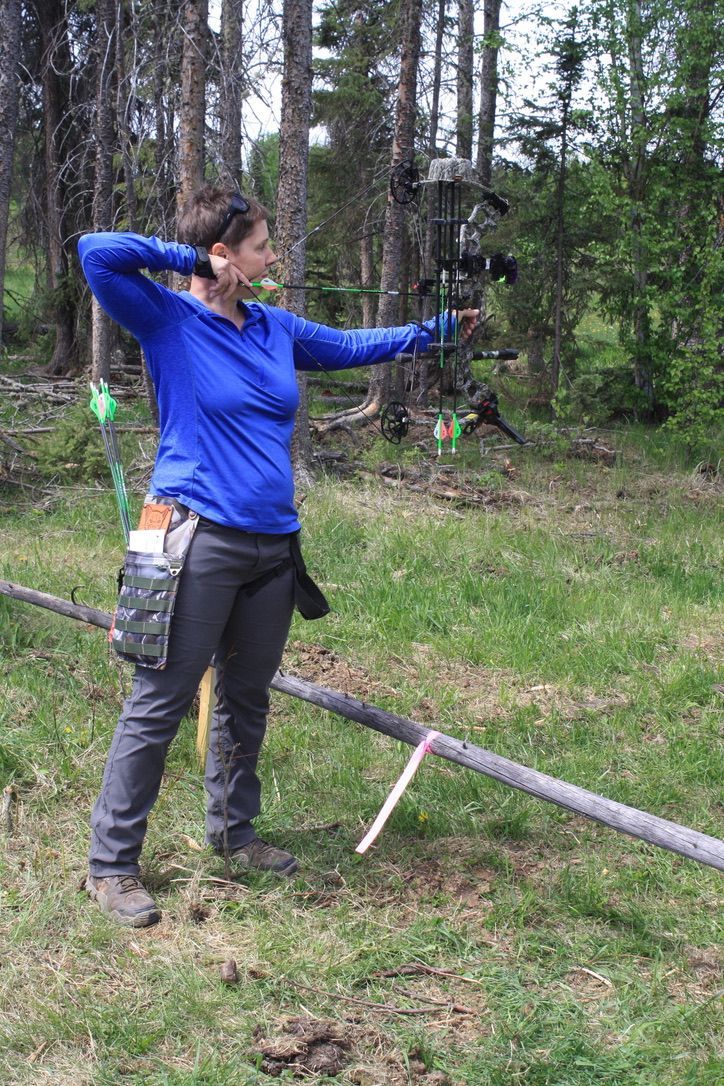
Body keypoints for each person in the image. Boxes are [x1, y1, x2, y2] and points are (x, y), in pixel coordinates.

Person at [78, 184, 479, 927]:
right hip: (195, 537)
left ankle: (232, 835)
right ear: (224, 253)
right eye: (261, 245)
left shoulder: (272, 326)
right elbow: (96, 254)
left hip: (272, 543)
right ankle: (111, 865)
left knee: (246, 697)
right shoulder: (168, 320)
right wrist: (186, 259)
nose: (274, 256)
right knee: (160, 701)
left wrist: (436, 330)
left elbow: (355, 346)